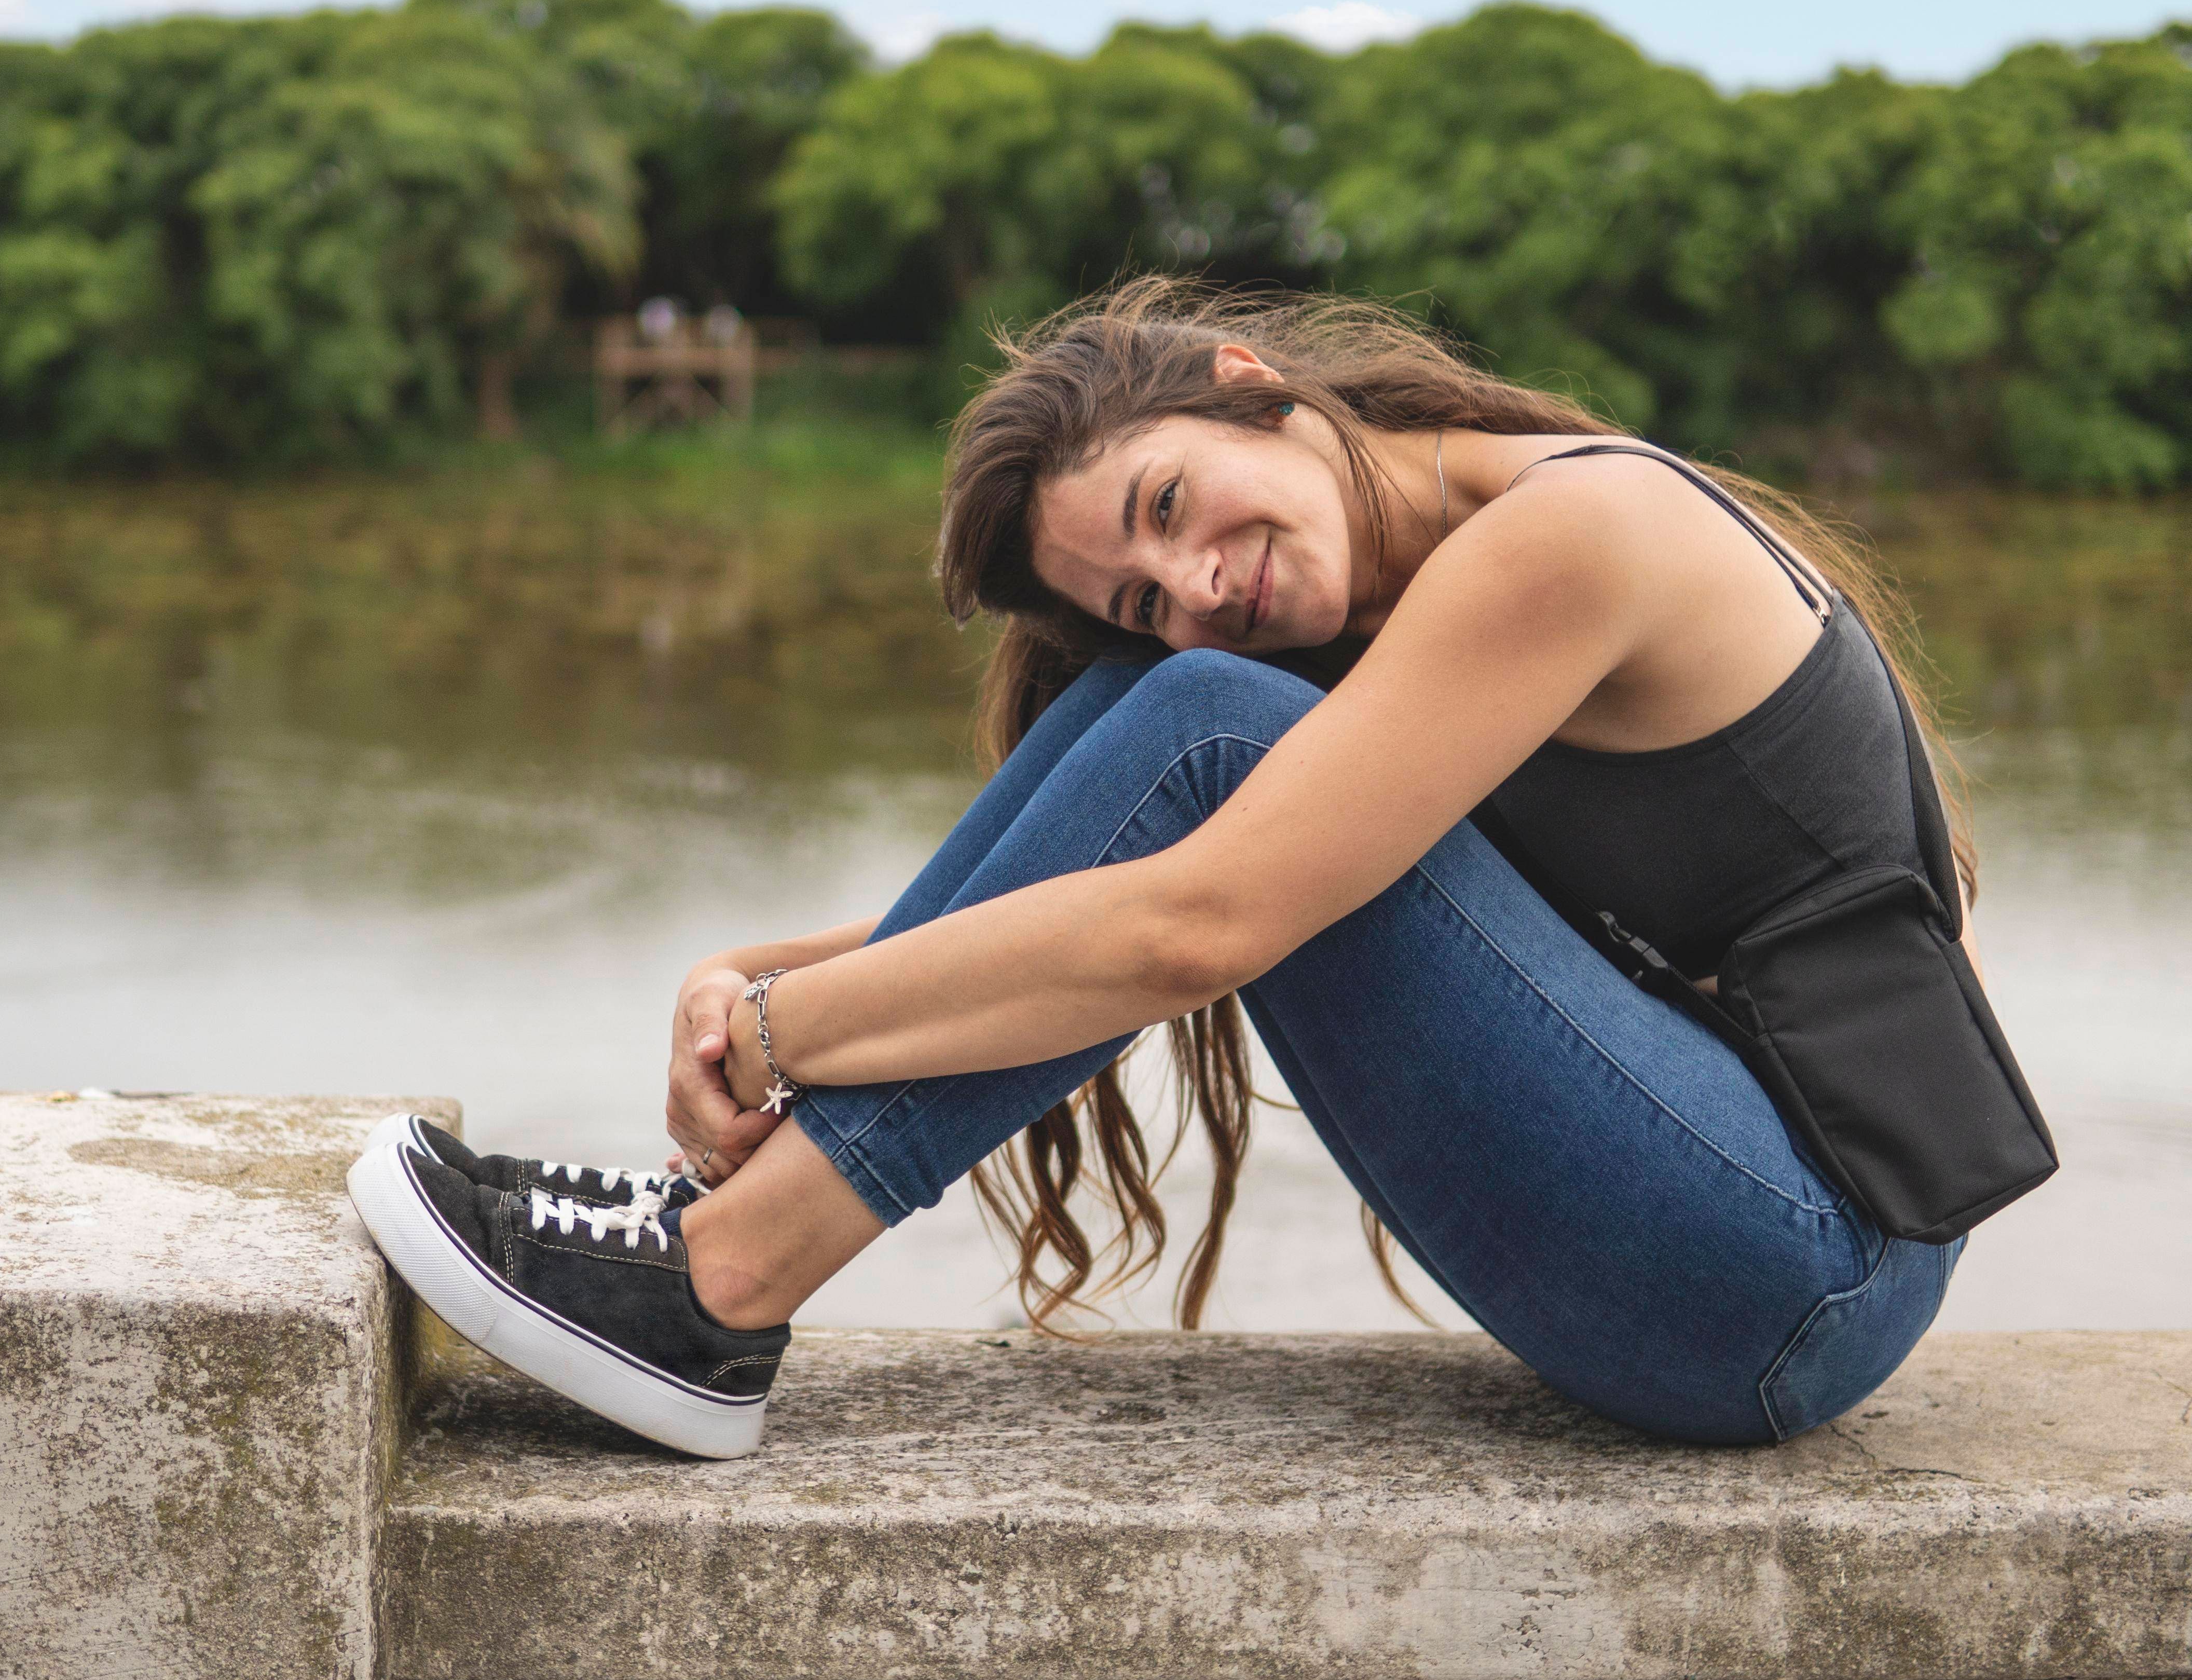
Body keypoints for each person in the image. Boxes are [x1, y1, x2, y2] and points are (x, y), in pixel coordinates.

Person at [349, 279, 2018, 1461]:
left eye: (1170, 503)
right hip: (1719, 1229)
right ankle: (706, 1254)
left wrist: (789, 1038)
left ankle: (716, 1279)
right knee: (1187, 711)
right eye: (1139, 589)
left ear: (1251, 387)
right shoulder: (1399, 608)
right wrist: (760, 985)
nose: (1195, 582)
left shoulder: (1574, 535)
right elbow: (1131, 892)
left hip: (1798, 1265)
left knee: (1209, 719)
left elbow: (1194, 920)